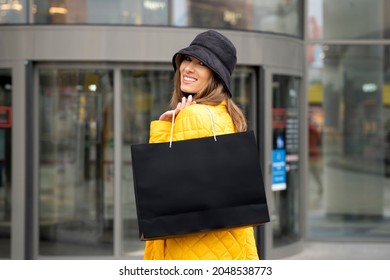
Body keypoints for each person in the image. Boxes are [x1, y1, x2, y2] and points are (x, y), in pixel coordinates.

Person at [143, 30, 259, 260]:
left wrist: (164, 128)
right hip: (230, 247)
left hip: (192, 250)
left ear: (215, 75)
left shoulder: (193, 115)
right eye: (187, 59)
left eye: (201, 64)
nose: (188, 68)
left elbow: (159, 187)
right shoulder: (228, 115)